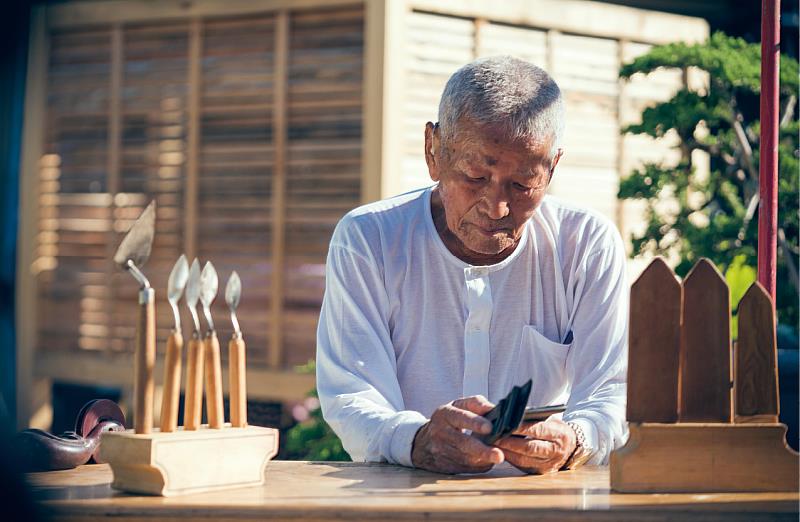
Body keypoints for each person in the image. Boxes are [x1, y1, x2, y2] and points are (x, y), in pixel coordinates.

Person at [316, 56, 628, 475]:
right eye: (475, 176)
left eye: (522, 185)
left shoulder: (586, 246)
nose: (496, 206)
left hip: (543, 501)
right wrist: (417, 440)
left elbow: (611, 394)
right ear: (434, 151)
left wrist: (574, 441)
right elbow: (353, 395)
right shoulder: (370, 240)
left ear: (552, 169)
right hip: (405, 498)